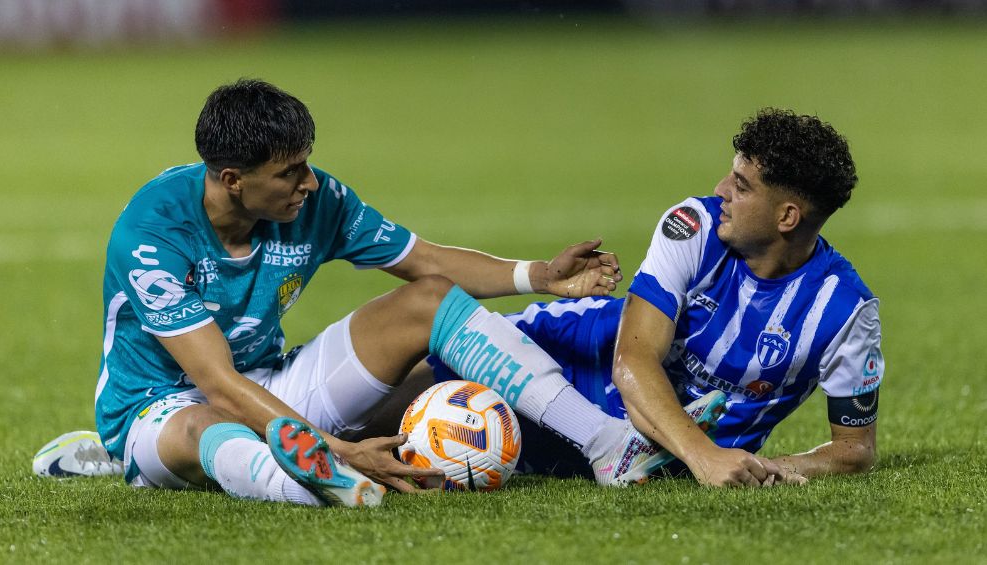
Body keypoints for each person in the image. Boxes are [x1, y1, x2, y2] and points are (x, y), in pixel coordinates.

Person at [64, 79, 725, 508]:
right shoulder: (151, 234)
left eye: (307, 162)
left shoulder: (315, 200)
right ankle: (324, 480)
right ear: (233, 180)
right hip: (166, 410)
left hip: (273, 382)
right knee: (203, 424)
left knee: (430, 302)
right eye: (288, 172)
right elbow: (215, 381)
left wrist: (540, 276)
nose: (309, 184)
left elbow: (426, 261)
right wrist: (337, 448)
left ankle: (610, 443)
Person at [425, 108, 882, 487]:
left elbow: (854, 451)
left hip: (640, 450)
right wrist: (704, 456)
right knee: (379, 403)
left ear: (787, 217)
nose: (721, 190)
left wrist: (770, 468)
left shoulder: (846, 312)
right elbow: (633, 361)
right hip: (559, 360)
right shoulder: (694, 226)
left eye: (742, 187)